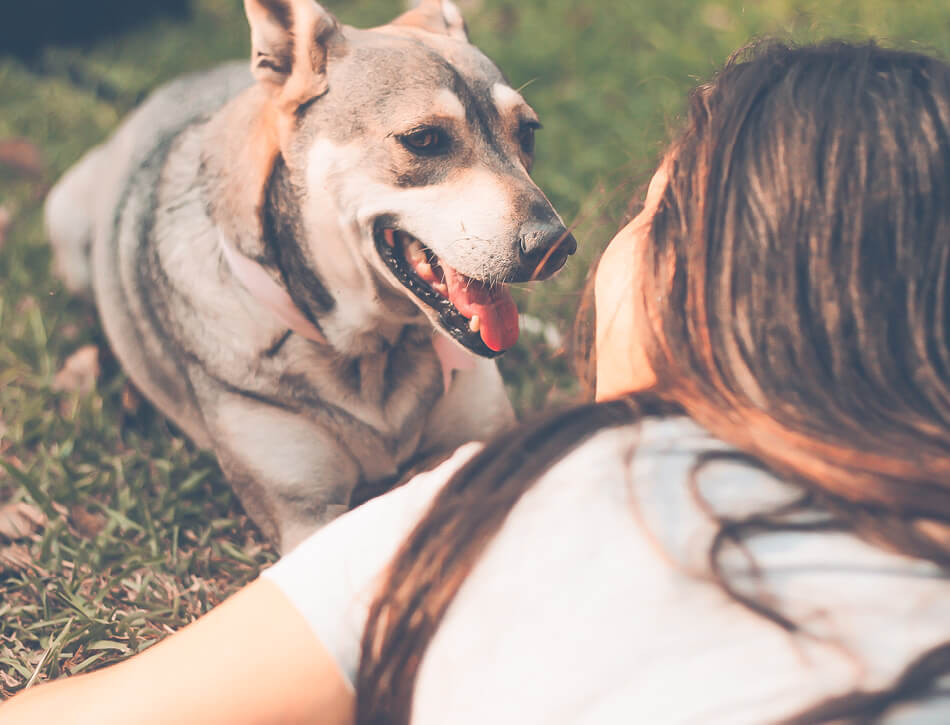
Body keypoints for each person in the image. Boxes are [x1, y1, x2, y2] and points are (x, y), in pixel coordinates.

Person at [6, 39, 950, 724]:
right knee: (73, 209)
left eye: (654, 218)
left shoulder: (488, 514)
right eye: (428, 143)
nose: (560, 236)